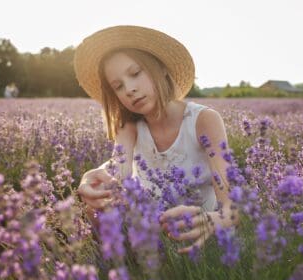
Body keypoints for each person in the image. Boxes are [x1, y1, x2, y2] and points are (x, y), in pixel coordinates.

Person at [74, 25, 238, 254]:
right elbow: (117, 172)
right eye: (118, 86)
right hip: (151, 244)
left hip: (202, 245)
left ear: (160, 68)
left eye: (135, 73)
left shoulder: (204, 120)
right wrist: (90, 180)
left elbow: (233, 207)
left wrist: (213, 220)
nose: (129, 89)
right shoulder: (129, 127)